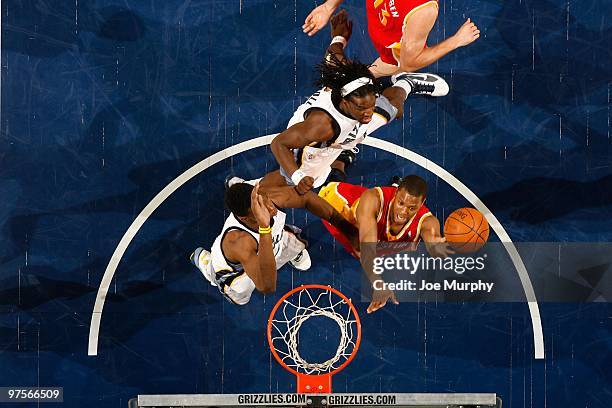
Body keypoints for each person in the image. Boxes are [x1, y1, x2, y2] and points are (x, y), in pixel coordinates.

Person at [260, 10, 449, 195]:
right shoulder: (320, 126)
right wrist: (298, 176)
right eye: (362, 108)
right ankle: (252, 190)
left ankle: (406, 83)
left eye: (372, 104)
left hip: (346, 126)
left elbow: (333, 54)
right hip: (314, 146)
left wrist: (339, 38)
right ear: (345, 101)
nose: (369, 113)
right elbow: (279, 144)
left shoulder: (348, 80)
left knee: (393, 109)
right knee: (291, 181)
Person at [190, 182, 358, 305]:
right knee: (241, 297)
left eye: (266, 201)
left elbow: (307, 199)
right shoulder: (238, 242)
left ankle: (292, 254)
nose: (271, 209)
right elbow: (266, 286)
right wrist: (264, 228)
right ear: (243, 218)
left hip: (272, 241)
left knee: (292, 241)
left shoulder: (267, 195)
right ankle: (208, 266)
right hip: (238, 272)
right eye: (260, 208)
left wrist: (348, 230)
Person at [318, 175, 453, 313]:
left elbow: (433, 238)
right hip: (340, 207)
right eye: (401, 203)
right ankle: (333, 174)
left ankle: (395, 194)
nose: (403, 212)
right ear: (396, 194)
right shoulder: (372, 199)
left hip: (378, 221)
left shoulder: (428, 221)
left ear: (422, 202)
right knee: (360, 248)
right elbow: (366, 250)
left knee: (408, 247)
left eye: (411, 208)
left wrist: (436, 246)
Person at [302, 1, 480, 77]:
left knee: (391, 66)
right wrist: (328, 6)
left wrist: (456, 40)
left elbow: (409, 63)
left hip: (394, 48)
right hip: (382, 24)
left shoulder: (423, 10)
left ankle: (405, 85)